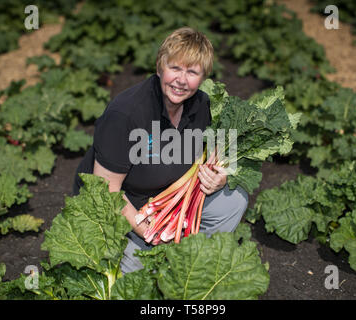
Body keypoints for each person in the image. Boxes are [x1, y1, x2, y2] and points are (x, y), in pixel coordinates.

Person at [72, 27, 248, 273]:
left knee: (234, 199)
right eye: (175, 68)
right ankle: (160, 253)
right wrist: (148, 232)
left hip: (166, 203)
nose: (182, 80)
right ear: (159, 68)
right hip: (121, 207)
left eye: (192, 72)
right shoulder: (125, 114)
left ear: (203, 77)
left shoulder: (206, 106)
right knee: (137, 277)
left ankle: (196, 265)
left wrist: (222, 177)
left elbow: (225, 152)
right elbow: (105, 190)